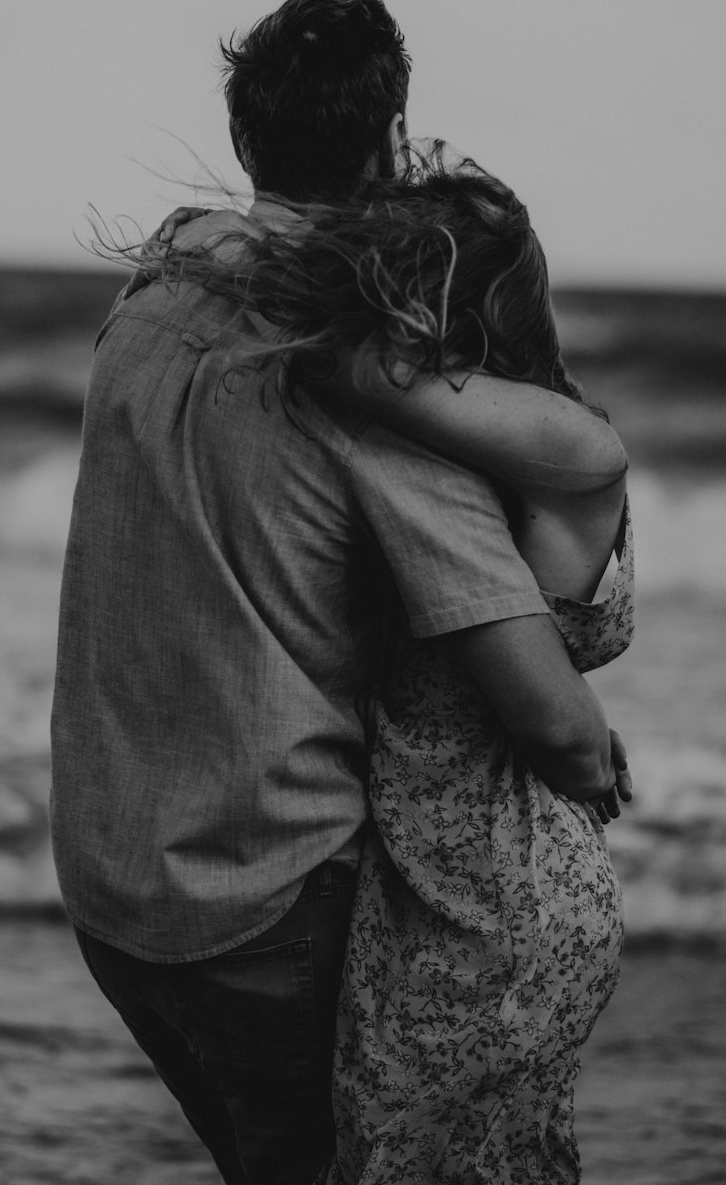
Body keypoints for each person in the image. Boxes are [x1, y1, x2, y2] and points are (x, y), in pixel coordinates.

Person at [50, 0, 628, 1185]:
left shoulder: (145, 303)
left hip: (109, 879)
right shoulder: (397, 419)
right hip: (264, 890)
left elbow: (217, 240)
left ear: (246, 129)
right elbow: (556, 718)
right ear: (385, 138)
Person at [151, 165, 634, 1183]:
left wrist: (581, 750)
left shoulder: (543, 450)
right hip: (467, 876)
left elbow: (345, 373)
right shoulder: (511, 436)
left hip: (482, 900)